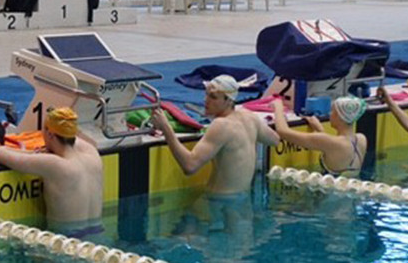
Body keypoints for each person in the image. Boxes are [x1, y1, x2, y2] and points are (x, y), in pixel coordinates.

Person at [151, 75, 280, 195]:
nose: (205, 100)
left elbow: (189, 166)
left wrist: (166, 128)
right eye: (206, 95)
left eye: (213, 97)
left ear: (229, 101)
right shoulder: (250, 117)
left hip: (219, 203)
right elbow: (275, 140)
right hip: (242, 201)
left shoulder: (221, 125)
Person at [0, 107, 104, 238]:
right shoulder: (92, 153)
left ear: (50, 135)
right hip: (97, 236)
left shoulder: (54, 165)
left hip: (64, 243)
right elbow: (70, 141)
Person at [271, 96, 367, 177]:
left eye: (332, 111)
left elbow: (283, 132)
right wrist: (320, 130)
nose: (330, 114)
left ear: (339, 116)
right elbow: (333, 150)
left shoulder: (330, 142)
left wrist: (278, 107)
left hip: (329, 198)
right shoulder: (361, 139)